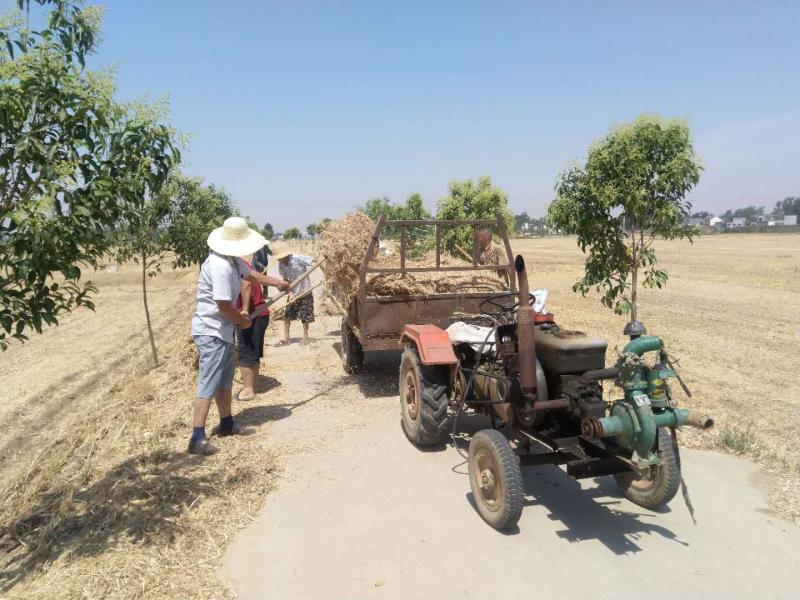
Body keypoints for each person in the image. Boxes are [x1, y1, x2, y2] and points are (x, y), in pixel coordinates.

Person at [189, 217, 289, 456]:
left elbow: (251, 275)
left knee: (224, 381)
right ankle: (197, 437)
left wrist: (277, 283)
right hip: (211, 331)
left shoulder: (232, 261)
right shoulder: (220, 266)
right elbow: (223, 305)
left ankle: (226, 424)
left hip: (222, 330)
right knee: (209, 382)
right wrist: (243, 321)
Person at [235, 257, 269, 401]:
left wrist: (245, 309)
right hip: (260, 314)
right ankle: (254, 385)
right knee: (252, 352)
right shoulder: (242, 262)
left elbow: (246, 282)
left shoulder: (235, 264)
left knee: (246, 353)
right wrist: (279, 283)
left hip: (252, 315)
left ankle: (248, 390)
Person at [274, 250, 316, 345]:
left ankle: (305, 337)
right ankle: (286, 339)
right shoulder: (281, 264)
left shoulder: (297, 258)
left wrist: (325, 270)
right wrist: (290, 293)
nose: (280, 260)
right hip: (292, 292)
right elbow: (285, 280)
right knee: (287, 315)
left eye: (281, 258)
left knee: (305, 316)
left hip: (305, 291)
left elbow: (314, 260)